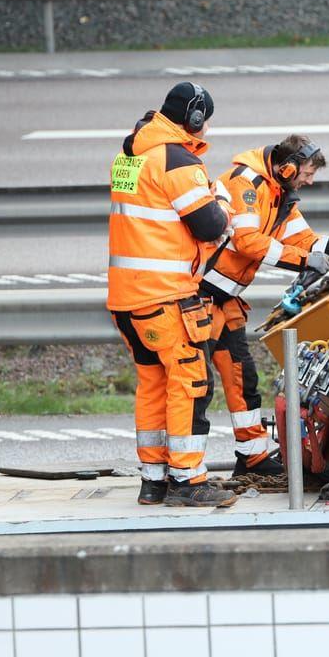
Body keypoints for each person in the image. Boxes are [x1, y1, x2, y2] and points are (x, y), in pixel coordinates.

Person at [200, 134, 329, 475]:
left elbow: (309, 241)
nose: (309, 181)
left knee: (243, 380)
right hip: (198, 299)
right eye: (307, 174)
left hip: (223, 301)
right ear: (288, 167)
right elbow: (249, 242)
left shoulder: (281, 196)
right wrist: (304, 261)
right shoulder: (246, 184)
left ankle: (252, 458)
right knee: (195, 388)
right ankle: (177, 473)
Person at [107, 82, 237, 508]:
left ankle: (153, 480)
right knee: (190, 383)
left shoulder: (129, 156)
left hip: (126, 299)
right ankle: (188, 479)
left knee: (153, 384)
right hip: (163, 296)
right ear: (195, 118)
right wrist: (219, 195)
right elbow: (210, 225)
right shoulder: (177, 160)